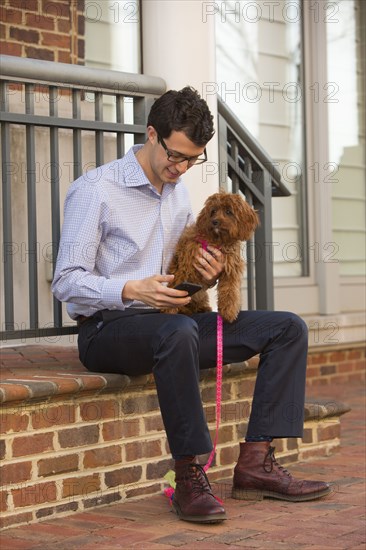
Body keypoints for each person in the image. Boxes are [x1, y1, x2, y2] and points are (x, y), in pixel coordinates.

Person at [52, 86, 331, 524]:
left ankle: (256, 464)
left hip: (174, 321)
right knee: (176, 332)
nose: (181, 168)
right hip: (108, 329)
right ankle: (188, 474)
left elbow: (184, 269)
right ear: (151, 135)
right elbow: (66, 282)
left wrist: (207, 274)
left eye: (191, 159)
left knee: (288, 327)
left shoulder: (177, 192)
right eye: (176, 156)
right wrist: (131, 290)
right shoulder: (96, 191)